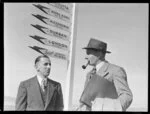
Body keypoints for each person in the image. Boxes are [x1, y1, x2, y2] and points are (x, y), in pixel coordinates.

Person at [77, 38, 133, 111]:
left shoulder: (116, 71)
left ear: (99, 54)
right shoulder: (89, 74)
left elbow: (127, 96)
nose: (85, 57)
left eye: (88, 53)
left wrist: (105, 107)